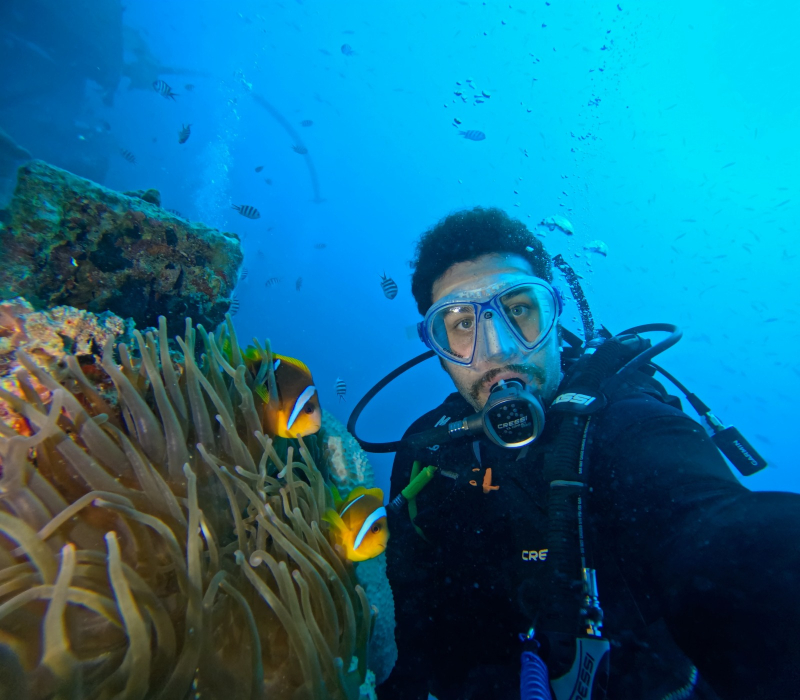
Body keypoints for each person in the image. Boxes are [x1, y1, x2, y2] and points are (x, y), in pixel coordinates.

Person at [376, 207, 800, 700]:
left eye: (519, 309)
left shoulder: (627, 423)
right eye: (461, 323)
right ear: (438, 349)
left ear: (554, 317)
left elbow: (716, 529)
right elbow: (401, 625)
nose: (496, 350)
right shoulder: (427, 456)